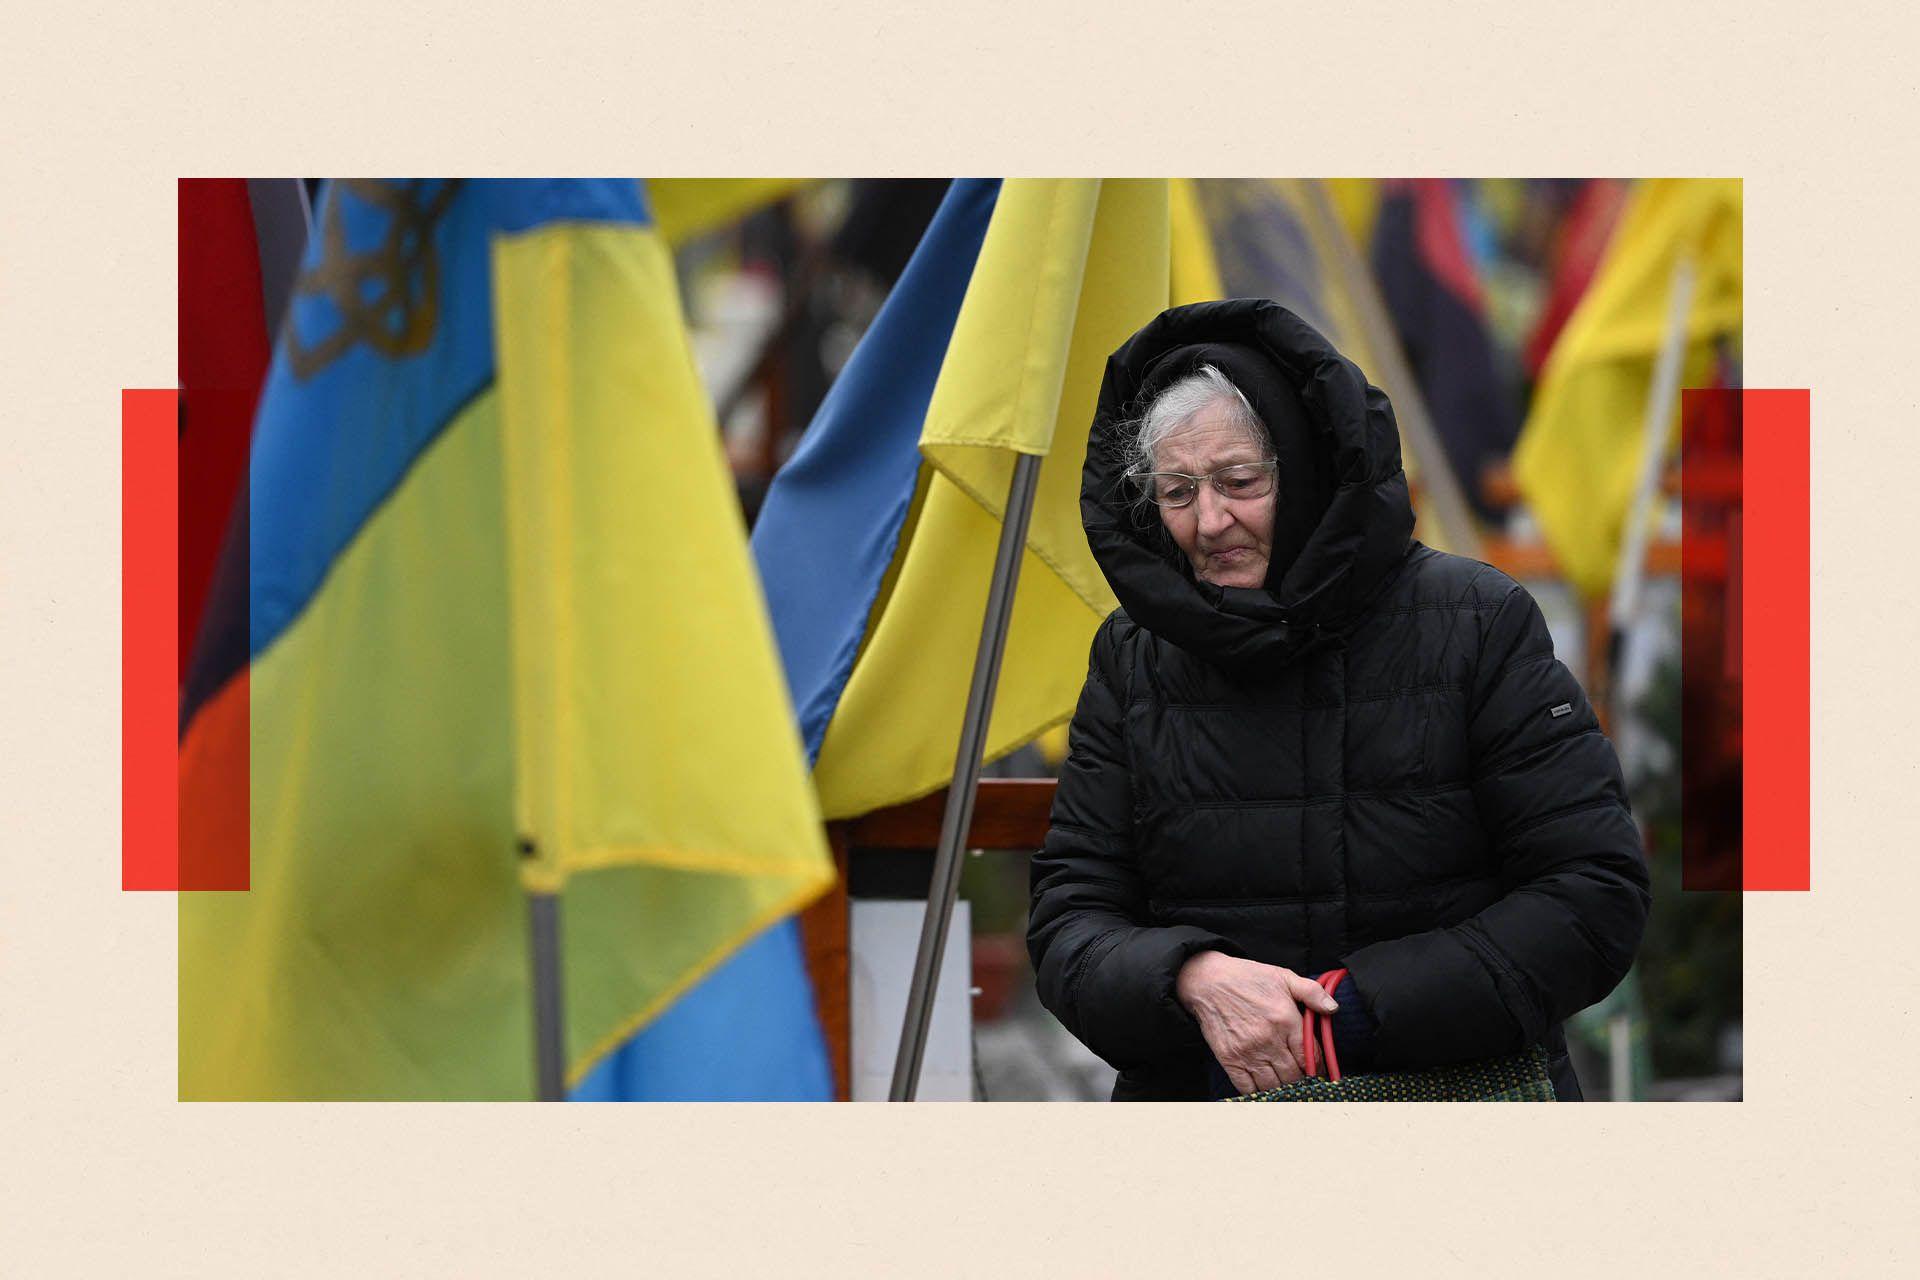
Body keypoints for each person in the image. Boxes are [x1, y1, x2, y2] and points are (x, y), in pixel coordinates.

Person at [1027, 298, 1652, 1101]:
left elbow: (1590, 894)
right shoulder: (1132, 657)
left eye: (1239, 482)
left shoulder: (1475, 622)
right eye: (1177, 492)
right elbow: (1071, 921)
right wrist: (1190, 977)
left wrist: (1347, 1014)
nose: (1209, 521)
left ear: (1309, 465)